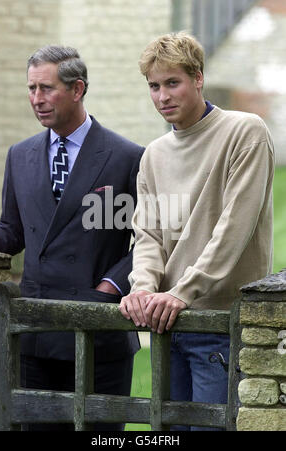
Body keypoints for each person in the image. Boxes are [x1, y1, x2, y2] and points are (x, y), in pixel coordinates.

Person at [119, 32, 274, 430]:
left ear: (198, 78)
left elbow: (234, 227)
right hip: (167, 325)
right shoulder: (154, 154)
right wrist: (142, 288)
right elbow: (149, 234)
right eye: (154, 86)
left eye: (173, 83)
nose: (162, 96)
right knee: (164, 432)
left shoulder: (245, 131)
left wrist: (182, 292)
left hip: (220, 323)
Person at [0, 45, 144, 431]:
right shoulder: (19, 155)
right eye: (31, 89)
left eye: (47, 88)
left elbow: (149, 239)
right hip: (35, 334)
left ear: (77, 89)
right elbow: (11, 231)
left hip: (98, 330)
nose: (36, 99)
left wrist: (111, 285)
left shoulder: (127, 157)